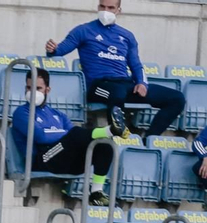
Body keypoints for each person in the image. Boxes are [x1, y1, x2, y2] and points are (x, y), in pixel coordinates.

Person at [45, 1, 183, 140]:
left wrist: (141, 83)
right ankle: (118, 134)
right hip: (99, 85)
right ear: (98, 7)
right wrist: (53, 50)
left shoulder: (127, 36)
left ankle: (149, 139)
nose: (106, 11)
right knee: (117, 92)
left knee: (176, 98)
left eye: (111, 8)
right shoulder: (83, 30)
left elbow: (136, 65)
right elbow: (61, 49)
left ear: (118, 10)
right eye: (103, 7)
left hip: (124, 84)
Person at [11, 68, 116, 206]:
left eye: (38, 88)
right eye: (29, 88)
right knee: (76, 133)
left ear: (47, 90)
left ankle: (96, 192)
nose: (32, 93)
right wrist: (65, 133)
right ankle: (110, 130)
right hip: (42, 160)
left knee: (105, 144)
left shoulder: (58, 115)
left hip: (66, 161)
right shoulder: (21, 113)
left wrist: (59, 133)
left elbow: (73, 137)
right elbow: (40, 136)